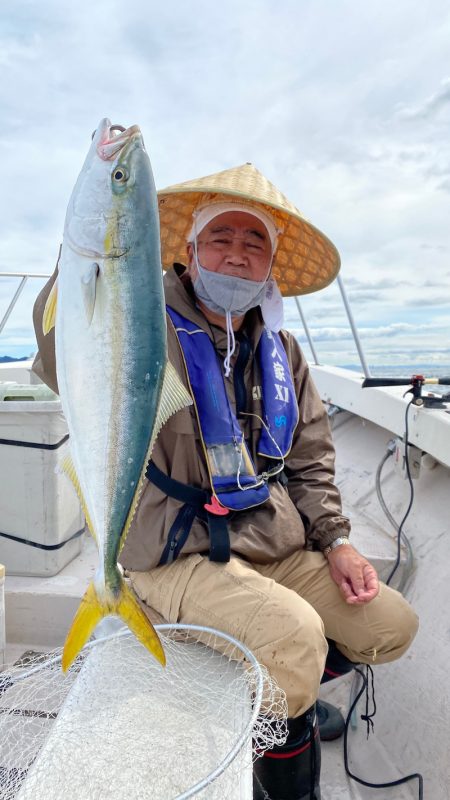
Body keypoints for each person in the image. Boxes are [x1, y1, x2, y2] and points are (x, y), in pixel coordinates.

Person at [32, 162, 418, 800]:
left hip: (271, 543)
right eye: (221, 238)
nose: (236, 254)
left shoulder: (285, 353)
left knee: (388, 626)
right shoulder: (143, 326)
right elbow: (62, 354)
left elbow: (311, 462)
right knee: (296, 638)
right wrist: (86, 255)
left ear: (269, 266)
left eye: (253, 243)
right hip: (173, 548)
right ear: (187, 253)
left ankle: (282, 701)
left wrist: (338, 542)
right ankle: (287, 754)